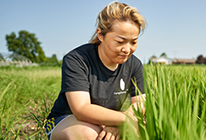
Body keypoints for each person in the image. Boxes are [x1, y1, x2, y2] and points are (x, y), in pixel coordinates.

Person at [44, 1, 147, 140]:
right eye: (120, 41)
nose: (127, 49)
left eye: (133, 42)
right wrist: (125, 120)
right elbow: (81, 109)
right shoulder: (77, 60)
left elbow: (140, 102)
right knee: (92, 134)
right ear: (100, 35)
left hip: (109, 119)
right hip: (64, 119)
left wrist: (119, 123)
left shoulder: (134, 64)